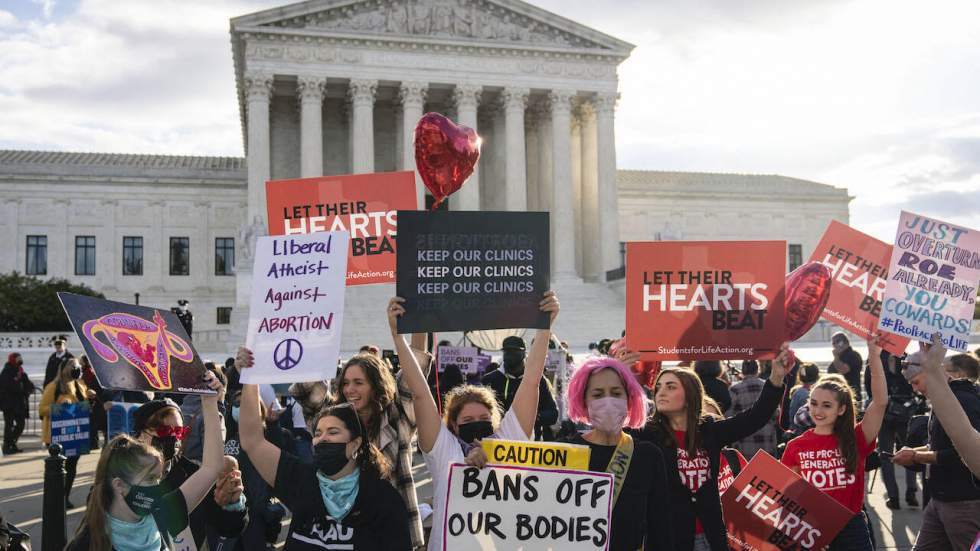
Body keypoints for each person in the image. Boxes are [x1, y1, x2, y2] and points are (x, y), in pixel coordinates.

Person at [388, 291, 559, 551]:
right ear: (454, 426)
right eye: (468, 419)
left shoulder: (506, 440)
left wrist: (544, 326)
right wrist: (397, 336)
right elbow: (421, 394)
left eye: (484, 418)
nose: (477, 423)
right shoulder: (443, 449)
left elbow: (532, 380)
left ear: (496, 420)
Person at [235, 353, 412, 551]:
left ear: (355, 444)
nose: (322, 438)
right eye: (317, 433)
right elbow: (252, 441)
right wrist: (250, 379)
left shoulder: (383, 499)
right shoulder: (302, 480)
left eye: (333, 432)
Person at [633, 344, 789, 551]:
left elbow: (756, 417)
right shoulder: (647, 434)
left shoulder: (710, 430)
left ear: (690, 395)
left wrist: (777, 376)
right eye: (659, 387)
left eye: (671, 387)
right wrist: (619, 371)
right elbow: (612, 426)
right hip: (668, 538)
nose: (661, 392)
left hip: (710, 536)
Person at [65, 370, 225, 551]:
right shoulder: (85, 545)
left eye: (157, 478)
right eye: (150, 478)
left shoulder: (162, 512)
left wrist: (210, 403)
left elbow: (212, 467)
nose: (159, 485)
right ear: (119, 485)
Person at [781, 336, 888, 551]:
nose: (818, 411)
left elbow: (881, 401)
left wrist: (874, 357)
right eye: (814, 403)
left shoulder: (857, 437)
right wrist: (801, 532)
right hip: (811, 527)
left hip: (852, 528)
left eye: (827, 405)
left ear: (841, 409)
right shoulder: (795, 446)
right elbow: (787, 496)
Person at [560, 356, 674, 550]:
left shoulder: (648, 456)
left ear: (629, 400)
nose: (608, 401)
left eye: (616, 393)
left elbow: (660, 528)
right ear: (583, 400)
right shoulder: (564, 453)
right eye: (597, 394)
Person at [331, 338, 430, 548]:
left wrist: (402, 329)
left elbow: (416, 369)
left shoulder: (397, 420)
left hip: (393, 533)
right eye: (346, 383)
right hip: (346, 534)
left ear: (376, 386)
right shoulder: (333, 425)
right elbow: (308, 391)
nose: (350, 389)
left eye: (358, 383)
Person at [131, 391, 246, 550]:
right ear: (141, 434)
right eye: (164, 430)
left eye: (179, 432)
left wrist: (232, 505)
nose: (173, 438)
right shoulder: (122, 473)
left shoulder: (194, 474)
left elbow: (228, 529)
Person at [893, 343, 980, 551]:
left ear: (934, 372)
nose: (915, 389)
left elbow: (965, 451)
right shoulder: (943, 400)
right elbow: (939, 445)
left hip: (963, 503)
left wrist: (917, 456)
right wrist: (914, 452)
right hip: (940, 498)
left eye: (915, 382)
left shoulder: (964, 400)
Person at [39, 356, 94, 507]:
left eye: (77, 366)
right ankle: (56, 498)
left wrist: (90, 400)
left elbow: (85, 408)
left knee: (72, 466)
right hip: (57, 435)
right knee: (59, 467)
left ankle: (65, 497)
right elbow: (42, 409)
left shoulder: (80, 385)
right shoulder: (54, 387)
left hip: (75, 434)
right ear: (63, 369)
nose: (76, 369)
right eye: (72, 366)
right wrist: (60, 407)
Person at [481, 334, 559, 440]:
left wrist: (531, 417)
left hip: (529, 444)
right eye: (507, 352)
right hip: (498, 442)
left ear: (524, 353)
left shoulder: (538, 380)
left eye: (514, 351)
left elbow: (553, 414)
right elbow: (481, 413)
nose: (510, 355)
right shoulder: (489, 380)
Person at [870, 349, 920, 510]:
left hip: (885, 414)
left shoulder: (876, 357)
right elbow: (916, 384)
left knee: (885, 455)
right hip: (906, 413)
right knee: (909, 451)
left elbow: (868, 386)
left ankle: (893, 497)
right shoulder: (908, 359)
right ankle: (911, 492)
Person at [725, 359, 778, 458]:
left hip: (744, 438)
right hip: (767, 437)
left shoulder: (735, 389)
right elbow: (776, 413)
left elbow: (728, 416)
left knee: (746, 470)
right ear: (757, 369)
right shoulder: (767, 386)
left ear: (742, 371)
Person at [1, 353, 34, 455]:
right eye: (17, 358)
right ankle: (7, 446)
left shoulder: (21, 371)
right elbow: (5, 386)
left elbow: (28, 384)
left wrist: (27, 390)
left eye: (20, 358)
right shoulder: (6, 371)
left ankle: (12, 443)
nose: (20, 360)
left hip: (19, 404)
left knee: (21, 425)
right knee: (9, 425)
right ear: (12, 360)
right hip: (9, 404)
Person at [828, 332, 863, 404]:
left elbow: (843, 370)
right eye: (833, 344)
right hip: (837, 395)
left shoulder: (853, 355)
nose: (834, 346)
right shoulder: (840, 357)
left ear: (843, 342)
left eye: (836, 342)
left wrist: (836, 357)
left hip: (850, 396)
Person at [787, 362, 819, 435]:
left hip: (795, 431)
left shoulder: (797, 392)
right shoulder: (808, 395)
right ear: (817, 377)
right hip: (803, 433)